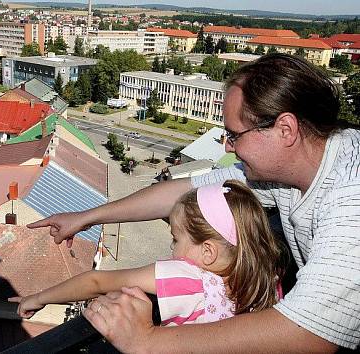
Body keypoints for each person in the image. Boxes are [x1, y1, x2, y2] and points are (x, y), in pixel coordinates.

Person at [28, 53, 359, 352]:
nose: (227, 148)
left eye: (234, 135)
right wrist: (87, 217)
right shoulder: (295, 165)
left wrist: (147, 341)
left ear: (285, 130)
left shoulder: (349, 202)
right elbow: (182, 190)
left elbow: (309, 333)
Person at [11, 180, 283, 325]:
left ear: (208, 252)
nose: (172, 247)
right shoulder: (266, 280)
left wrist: (38, 298)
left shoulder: (188, 279)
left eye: (176, 239)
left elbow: (96, 282)